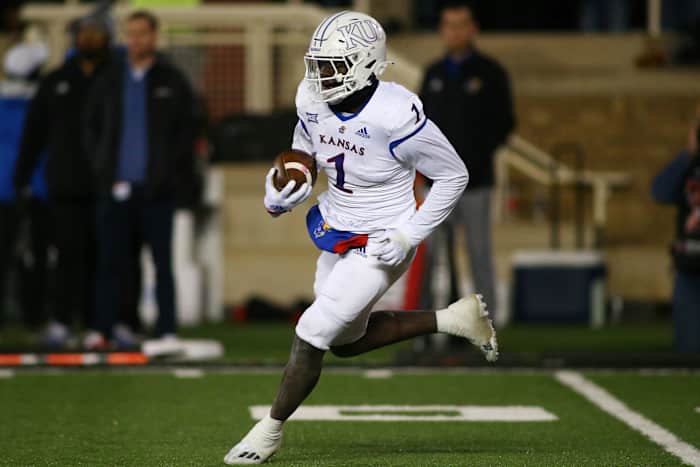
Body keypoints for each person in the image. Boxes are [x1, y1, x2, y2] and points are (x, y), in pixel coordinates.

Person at [223, 11, 498, 465]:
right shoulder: (312, 96)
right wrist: (285, 188)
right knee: (345, 341)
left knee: (312, 331)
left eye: (331, 65)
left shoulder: (396, 113)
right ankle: (452, 319)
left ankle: (268, 432)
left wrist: (410, 234)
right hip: (336, 225)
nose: (319, 75)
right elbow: (306, 143)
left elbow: (453, 175)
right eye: (318, 64)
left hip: (381, 239)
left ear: (364, 64)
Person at [84, 10, 196, 347]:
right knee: (110, 262)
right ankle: (104, 328)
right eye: (130, 34)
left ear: (154, 36)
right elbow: (91, 127)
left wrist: (169, 176)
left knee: (162, 263)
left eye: (142, 34)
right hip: (115, 187)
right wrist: (102, 170)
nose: (136, 41)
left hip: (157, 190)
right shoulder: (109, 79)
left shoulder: (172, 80)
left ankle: (166, 330)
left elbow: (185, 133)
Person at [14, 18, 112, 346]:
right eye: (83, 33)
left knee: (104, 258)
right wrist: (22, 176)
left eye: (95, 33)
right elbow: (34, 133)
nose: (88, 39)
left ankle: (99, 324)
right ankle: (62, 320)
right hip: (65, 185)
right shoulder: (56, 81)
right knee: (66, 256)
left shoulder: (114, 80)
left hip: (105, 185)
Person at [419, 2, 515, 320]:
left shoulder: (491, 73)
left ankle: (486, 325)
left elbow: (504, 124)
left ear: (472, 28)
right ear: (441, 30)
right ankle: (422, 326)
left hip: (476, 182)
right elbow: (418, 126)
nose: (455, 32)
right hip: (435, 185)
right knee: (429, 256)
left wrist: (472, 158)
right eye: (449, 25)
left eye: (461, 24)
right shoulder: (433, 73)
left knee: (478, 253)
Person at [0, 40, 49, 329]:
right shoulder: (35, 103)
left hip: (6, 191)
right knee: (36, 256)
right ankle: (34, 315)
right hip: (32, 190)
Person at [651, 116, 700, 353]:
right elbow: (660, 191)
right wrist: (688, 155)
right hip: (690, 268)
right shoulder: (688, 168)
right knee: (689, 350)